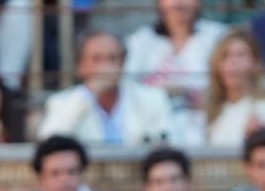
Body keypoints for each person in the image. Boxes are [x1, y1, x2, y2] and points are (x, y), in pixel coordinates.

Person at [36, 30, 176, 145]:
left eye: (112, 59)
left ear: (123, 64)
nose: (106, 67)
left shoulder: (153, 98)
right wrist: (89, 94)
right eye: (96, 59)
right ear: (80, 66)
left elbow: (165, 145)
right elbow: (49, 143)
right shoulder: (61, 103)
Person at [123, 0, 226, 107]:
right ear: (160, 0)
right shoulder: (141, 41)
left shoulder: (218, 37)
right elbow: (127, 88)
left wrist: (185, 93)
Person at [201, 29, 265, 148]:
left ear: (255, 63)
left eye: (241, 55)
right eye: (225, 56)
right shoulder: (206, 109)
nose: (233, 62)